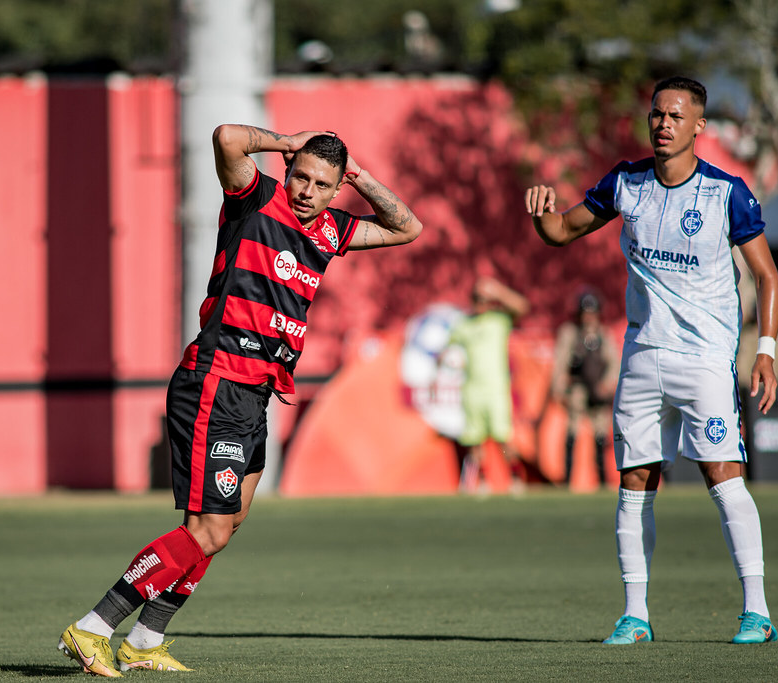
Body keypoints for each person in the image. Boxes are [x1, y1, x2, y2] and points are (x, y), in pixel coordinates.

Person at [57, 124, 423, 676]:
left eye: (321, 184)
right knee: (207, 528)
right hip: (216, 379)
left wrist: (362, 179)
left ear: (334, 190)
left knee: (227, 526)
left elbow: (406, 227)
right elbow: (227, 137)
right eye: (300, 175)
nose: (305, 190)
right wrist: (284, 142)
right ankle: (94, 628)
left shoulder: (332, 231)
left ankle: (145, 639)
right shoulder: (256, 198)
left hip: (256, 394)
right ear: (287, 170)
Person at [525, 76, 778, 645]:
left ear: (698, 127)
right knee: (635, 484)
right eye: (656, 115)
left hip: (707, 360)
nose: (663, 124)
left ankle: (757, 612)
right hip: (641, 357)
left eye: (675, 116)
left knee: (723, 478)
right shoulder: (626, 181)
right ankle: (635, 616)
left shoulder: (727, 192)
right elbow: (564, 230)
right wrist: (544, 220)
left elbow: (766, 275)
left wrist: (764, 350)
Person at [450, 276, 529, 493]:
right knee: (475, 440)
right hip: (472, 390)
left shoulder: (498, 320)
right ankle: (483, 482)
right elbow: (447, 351)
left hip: (496, 390)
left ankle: (515, 478)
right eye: (477, 298)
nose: (480, 304)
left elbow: (523, 307)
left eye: (485, 299)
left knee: (504, 438)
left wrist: (499, 291)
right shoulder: (463, 325)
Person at [549, 289, 619, 487]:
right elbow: (560, 362)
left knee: (600, 435)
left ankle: (603, 480)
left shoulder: (603, 335)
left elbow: (613, 362)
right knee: (572, 431)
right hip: (578, 389)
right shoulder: (571, 333)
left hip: (598, 390)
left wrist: (606, 384)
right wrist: (559, 388)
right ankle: (567, 480)